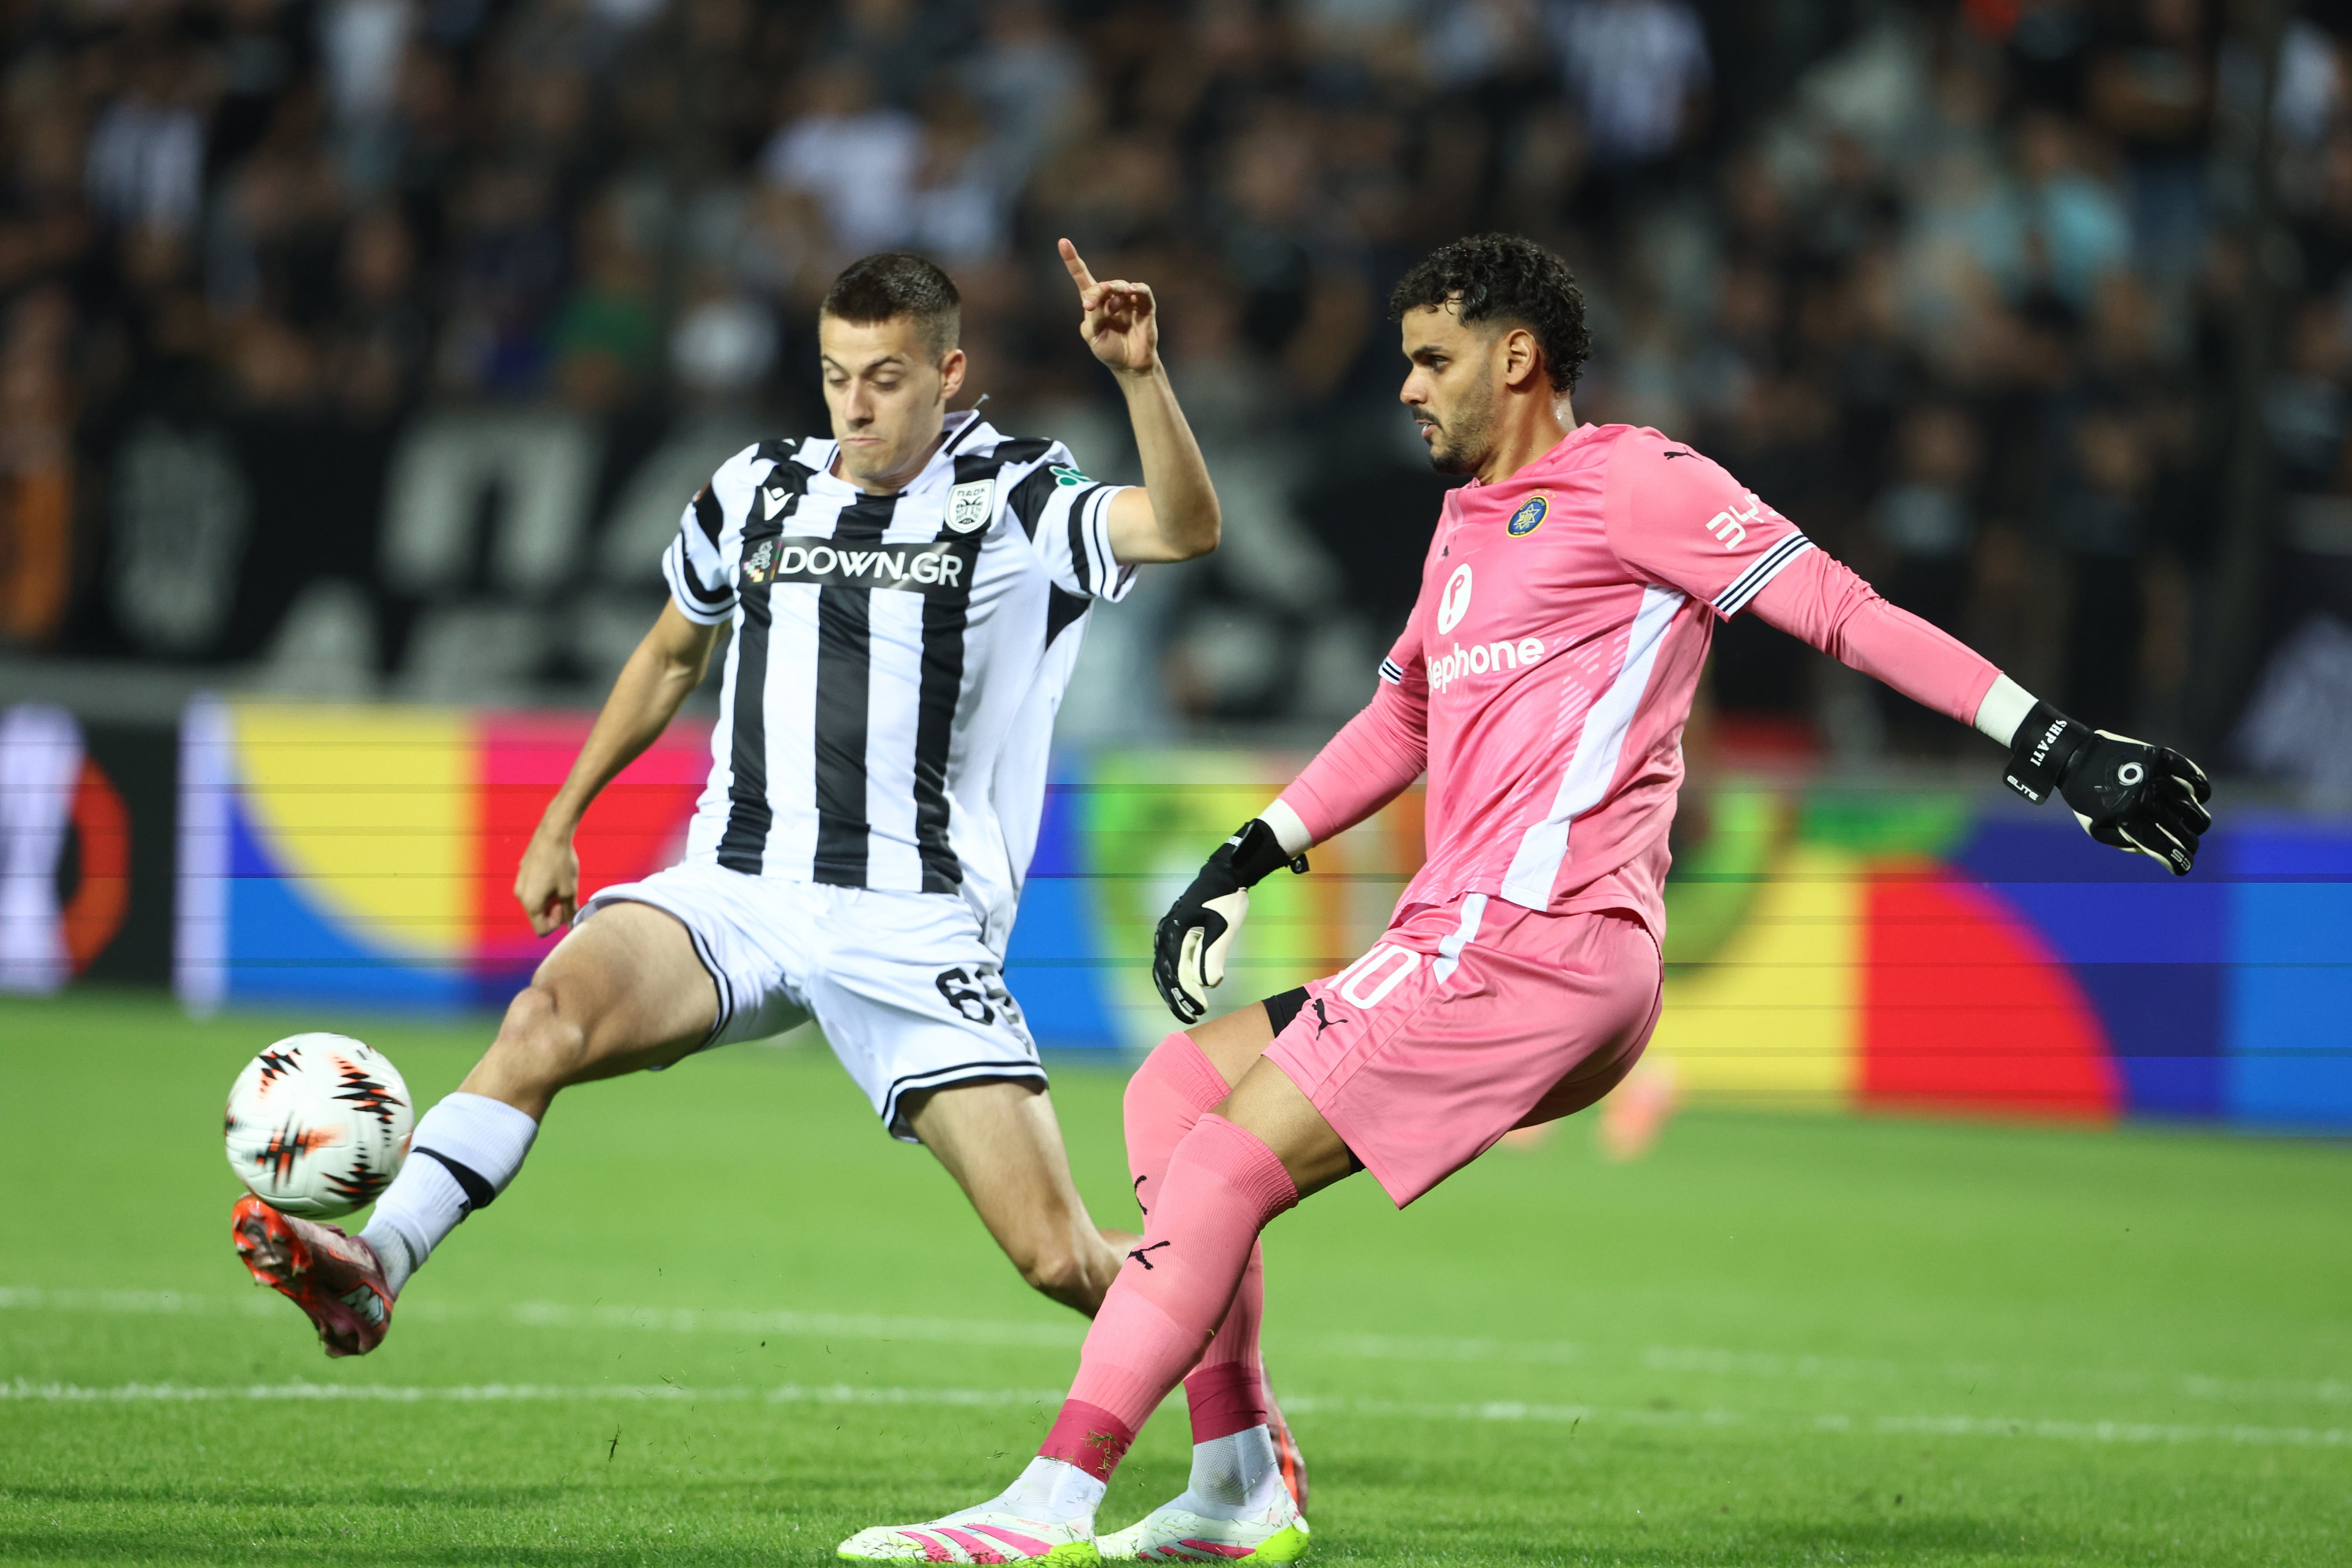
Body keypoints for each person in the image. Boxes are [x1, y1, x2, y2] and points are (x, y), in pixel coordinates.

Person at [838, 233, 2212, 1563]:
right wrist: (1251, 851)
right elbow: (1400, 720)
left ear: (1519, 356)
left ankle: (1053, 1494)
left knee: (1219, 1168)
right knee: (1172, 1097)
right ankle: (1235, 1478)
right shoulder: (1465, 528)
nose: (1406, 386)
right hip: (1478, 936)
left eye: (1431, 359)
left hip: (1543, 935)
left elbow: (1843, 609)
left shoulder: (1641, 482)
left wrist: (2053, 741)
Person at [225, 247, 1272, 1427]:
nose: (857, 405)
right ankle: (381, 1262)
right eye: (836, 377)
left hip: (909, 918)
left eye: (885, 377)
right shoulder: (760, 487)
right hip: (738, 885)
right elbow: (673, 653)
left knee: (1055, 1254)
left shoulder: (1018, 490)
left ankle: (1234, 1396)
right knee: (544, 1017)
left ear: (948, 372)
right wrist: (561, 816)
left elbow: (1185, 528)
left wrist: (1141, 378)